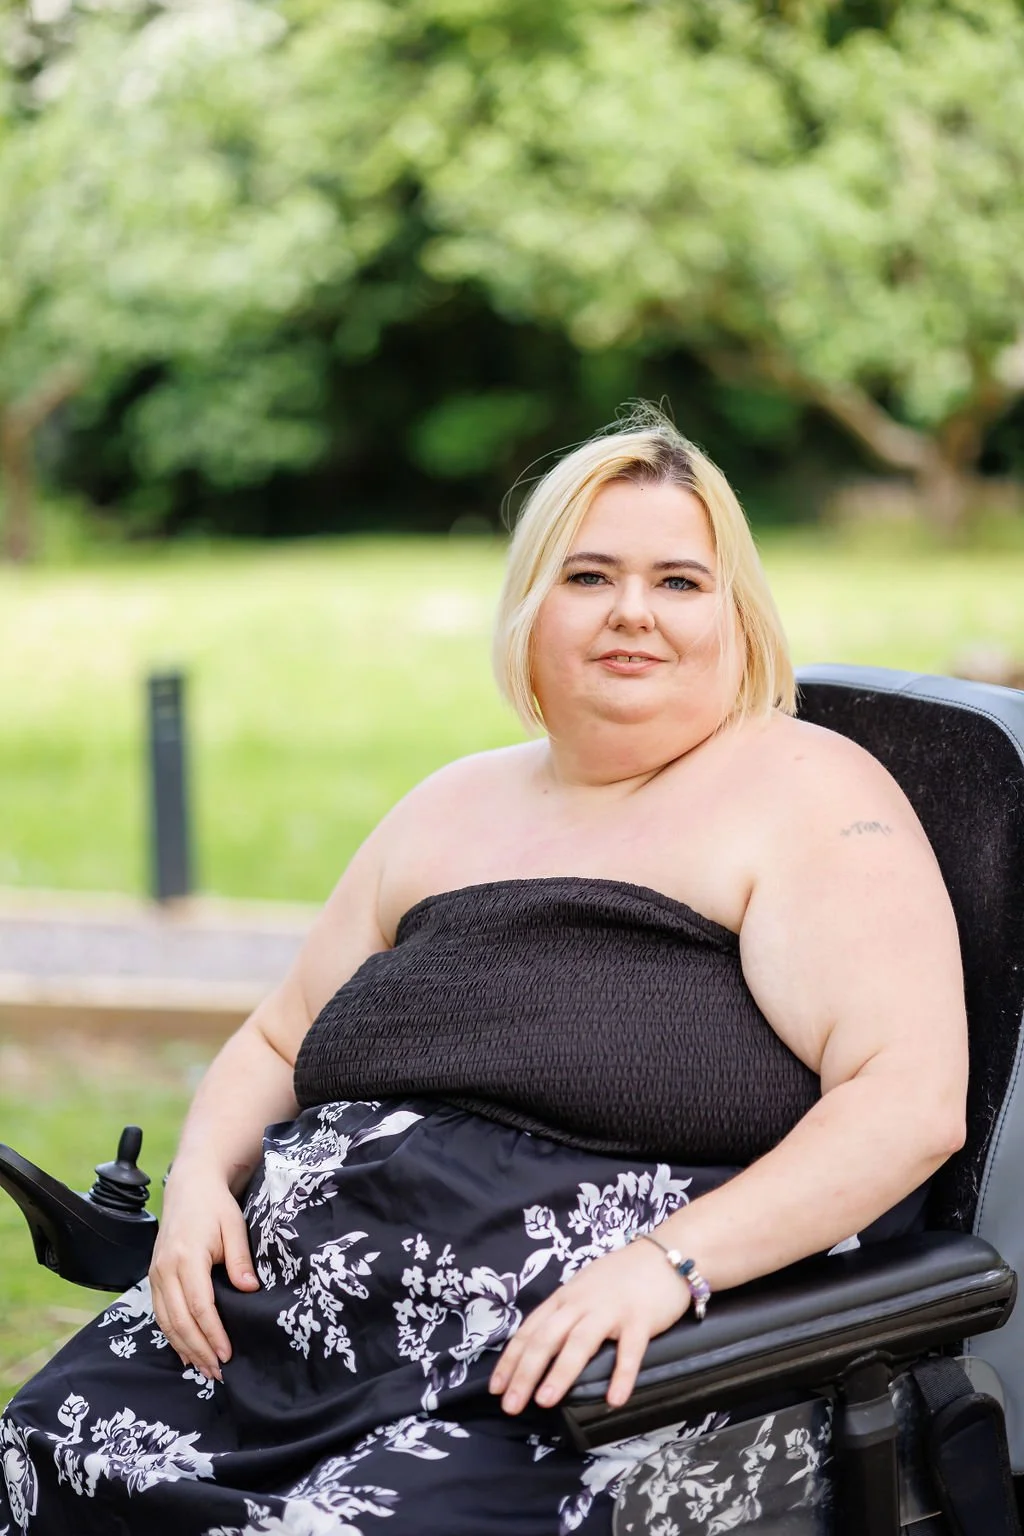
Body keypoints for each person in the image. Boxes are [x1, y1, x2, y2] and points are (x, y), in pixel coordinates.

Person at [0, 407, 968, 1536]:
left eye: (679, 583)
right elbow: (277, 1036)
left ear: (737, 616)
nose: (631, 615)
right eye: (588, 575)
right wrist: (204, 1183)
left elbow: (907, 1106)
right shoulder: (451, 804)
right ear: (529, 607)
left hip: (587, 1370)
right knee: (41, 1451)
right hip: (290, 1328)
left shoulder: (807, 794)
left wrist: (665, 1266)